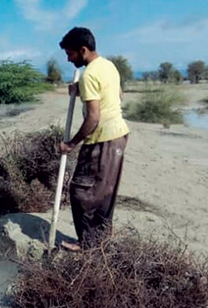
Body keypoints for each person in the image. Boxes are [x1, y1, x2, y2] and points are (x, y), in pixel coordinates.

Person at [57, 27, 130, 251]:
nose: (69, 59)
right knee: (105, 192)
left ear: (83, 49)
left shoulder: (89, 74)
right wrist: (81, 90)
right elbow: (117, 94)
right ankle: (100, 241)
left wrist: (71, 144)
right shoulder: (108, 65)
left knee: (80, 192)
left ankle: (87, 243)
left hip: (101, 140)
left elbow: (93, 118)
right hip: (119, 135)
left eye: (70, 54)